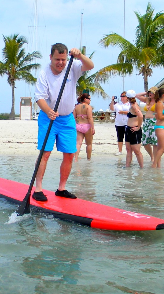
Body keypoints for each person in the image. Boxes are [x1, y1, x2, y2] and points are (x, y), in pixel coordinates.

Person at [32, 43, 94, 201]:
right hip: (48, 118)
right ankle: (38, 188)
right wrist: (48, 111)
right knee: (45, 154)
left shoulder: (72, 66)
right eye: (57, 59)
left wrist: (79, 56)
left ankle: (61, 188)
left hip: (67, 119)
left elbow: (90, 65)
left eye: (63, 59)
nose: (61, 63)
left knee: (69, 154)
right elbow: (39, 97)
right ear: (51, 57)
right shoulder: (44, 73)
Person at [136, 87, 158, 163]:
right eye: (149, 92)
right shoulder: (147, 100)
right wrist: (146, 93)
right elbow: (137, 96)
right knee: (145, 141)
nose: (150, 94)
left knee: (154, 141)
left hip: (154, 121)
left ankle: (155, 158)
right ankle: (151, 156)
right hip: (146, 122)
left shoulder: (158, 102)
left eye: (151, 93)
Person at [124, 90, 144, 168]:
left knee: (137, 151)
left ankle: (141, 168)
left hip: (134, 130)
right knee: (128, 149)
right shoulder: (131, 105)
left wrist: (138, 127)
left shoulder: (134, 106)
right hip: (128, 129)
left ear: (127, 97)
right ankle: (127, 167)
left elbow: (141, 116)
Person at [73, 93, 95, 161]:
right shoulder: (88, 107)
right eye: (89, 99)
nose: (90, 100)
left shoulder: (76, 107)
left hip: (78, 125)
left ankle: (75, 158)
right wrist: (93, 127)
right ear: (85, 99)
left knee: (78, 143)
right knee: (89, 144)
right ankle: (88, 159)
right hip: (87, 126)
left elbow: (73, 117)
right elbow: (90, 118)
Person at [109, 91, 129, 155]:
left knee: (128, 137)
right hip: (119, 123)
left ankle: (128, 150)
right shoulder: (118, 104)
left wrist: (123, 112)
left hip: (127, 122)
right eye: (121, 96)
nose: (122, 98)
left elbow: (132, 112)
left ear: (127, 97)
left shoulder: (130, 104)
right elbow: (112, 108)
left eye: (123, 96)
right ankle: (120, 150)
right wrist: (112, 101)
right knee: (120, 137)